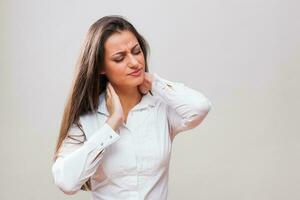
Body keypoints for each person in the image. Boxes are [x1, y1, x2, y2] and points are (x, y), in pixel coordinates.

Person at [51, 15, 212, 200]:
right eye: (120, 58)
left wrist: (154, 82)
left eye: (136, 51)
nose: (134, 63)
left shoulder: (160, 106)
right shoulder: (87, 118)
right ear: (101, 67)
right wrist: (111, 125)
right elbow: (66, 182)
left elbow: (200, 107)